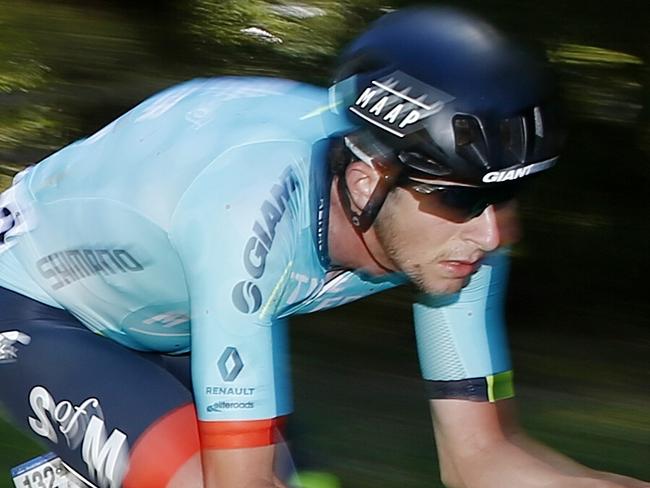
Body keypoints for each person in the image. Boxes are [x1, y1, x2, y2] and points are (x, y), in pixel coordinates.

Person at [0, 7, 646, 488]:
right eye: (463, 198)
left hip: (173, 316)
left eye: (508, 198)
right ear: (369, 178)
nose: (493, 233)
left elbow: (481, 460)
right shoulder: (247, 205)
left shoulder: (459, 234)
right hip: (35, 300)